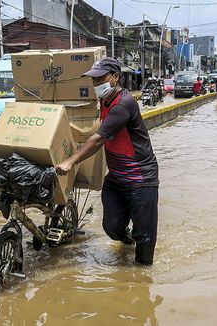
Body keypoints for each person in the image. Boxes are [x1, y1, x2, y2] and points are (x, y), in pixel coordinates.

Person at [56, 58, 159, 266]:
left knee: (145, 239)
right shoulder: (105, 101)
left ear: (115, 78)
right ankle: (128, 244)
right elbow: (97, 130)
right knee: (112, 226)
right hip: (116, 178)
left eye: (100, 79)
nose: (95, 84)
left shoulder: (123, 104)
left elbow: (98, 139)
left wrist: (71, 162)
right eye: (93, 80)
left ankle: (142, 279)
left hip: (140, 179)